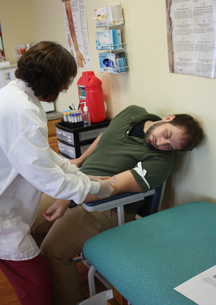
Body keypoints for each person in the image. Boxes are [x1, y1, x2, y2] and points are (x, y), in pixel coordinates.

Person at [31, 104, 203, 305]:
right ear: (168, 118)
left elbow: (114, 186)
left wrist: (70, 196)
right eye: (167, 134)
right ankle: (47, 287)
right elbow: (106, 136)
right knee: (29, 223)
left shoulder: (160, 162)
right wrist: (78, 161)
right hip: (77, 185)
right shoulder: (132, 113)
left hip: (109, 208)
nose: (162, 143)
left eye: (170, 146)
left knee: (53, 252)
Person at [0, 41, 114, 305]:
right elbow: (46, 177)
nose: (66, 88)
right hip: (4, 217)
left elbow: (42, 155)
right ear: (51, 80)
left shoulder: (14, 95)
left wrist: (74, 168)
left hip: (9, 207)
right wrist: (98, 188)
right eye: (65, 81)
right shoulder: (24, 112)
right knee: (36, 281)